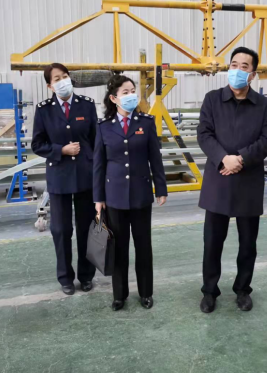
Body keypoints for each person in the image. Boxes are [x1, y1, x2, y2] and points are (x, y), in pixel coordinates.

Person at [197, 47, 267, 314]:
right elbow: (204, 134)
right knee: (212, 243)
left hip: (247, 182)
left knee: (247, 243)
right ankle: (209, 291)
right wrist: (223, 159)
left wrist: (240, 159)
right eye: (233, 64)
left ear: (252, 74)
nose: (237, 70)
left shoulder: (263, 105)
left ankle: (243, 289)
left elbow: (266, 140)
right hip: (218, 180)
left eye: (244, 66)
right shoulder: (212, 99)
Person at [93, 75, 167, 311]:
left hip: (141, 194)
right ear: (114, 98)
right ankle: (119, 295)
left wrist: (161, 187)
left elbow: (155, 158)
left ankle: (146, 292)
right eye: (125, 92)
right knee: (119, 248)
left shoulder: (146, 122)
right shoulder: (103, 127)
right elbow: (98, 165)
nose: (131, 95)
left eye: (132, 91)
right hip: (114, 197)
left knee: (143, 246)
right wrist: (98, 198)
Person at [32, 63, 97, 295]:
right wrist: (61, 150)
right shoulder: (44, 110)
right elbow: (37, 144)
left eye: (65, 76)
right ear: (50, 85)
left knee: (86, 228)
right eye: (57, 78)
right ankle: (65, 278)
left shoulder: (87, 105)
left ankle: (86, 275)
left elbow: (96, 140)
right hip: (59, 176)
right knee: (61, 230)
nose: (63, 81)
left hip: (85, 176)